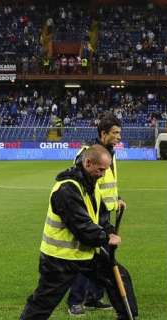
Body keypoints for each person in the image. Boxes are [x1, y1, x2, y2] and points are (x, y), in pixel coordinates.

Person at [20, 145, 138, 320]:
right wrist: (106, 238)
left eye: (105, 170)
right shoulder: (66, 189)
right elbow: (82, 228)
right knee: (42, 304)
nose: (103, 174)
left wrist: (109, 230)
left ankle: (129, 316)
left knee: (118, 276)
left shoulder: (91, 184)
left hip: (84, 255)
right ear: (88, 163)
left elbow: (100, 216)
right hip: (59, 259)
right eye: (101, 169)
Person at [67, 113, 127, 316]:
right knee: (86, 257)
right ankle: (75, 301)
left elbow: (107, 182)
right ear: (103, 133)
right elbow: (79, 185)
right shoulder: (87, 154)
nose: (119, 137)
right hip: (90, 214)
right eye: (115, 133)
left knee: (105, 258)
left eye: (120, 132)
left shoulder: (110, 153)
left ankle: (94, 297)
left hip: (105, 214)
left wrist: (117, 198)